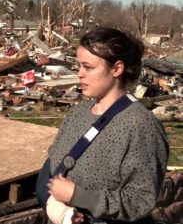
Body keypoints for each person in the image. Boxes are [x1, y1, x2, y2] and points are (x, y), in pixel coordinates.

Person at [40, 27, 169, 224]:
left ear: (117, 68)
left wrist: (79, 196)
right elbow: (51, 170)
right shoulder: (78, 114)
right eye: (79, 66)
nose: (79, 74)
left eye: (88, 67)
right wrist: (60, 212)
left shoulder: (141, 127)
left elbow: (141, 200)